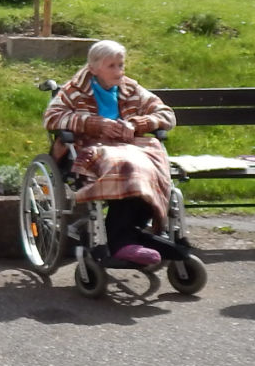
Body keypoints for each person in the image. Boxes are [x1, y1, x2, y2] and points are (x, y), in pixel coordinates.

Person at [42, 41, 182, 269]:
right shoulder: (74, 90)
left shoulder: (130, 88)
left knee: (151, 166)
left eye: (121, 65)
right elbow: (52, 118)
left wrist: (137, 124)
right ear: (94, 68)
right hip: (91, 147)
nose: (119, 71)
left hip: (131, 146)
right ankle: (122, 241)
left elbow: (166, 114)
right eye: (112, 66)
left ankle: (131, 237)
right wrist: (95, 124)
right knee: (128, 167)